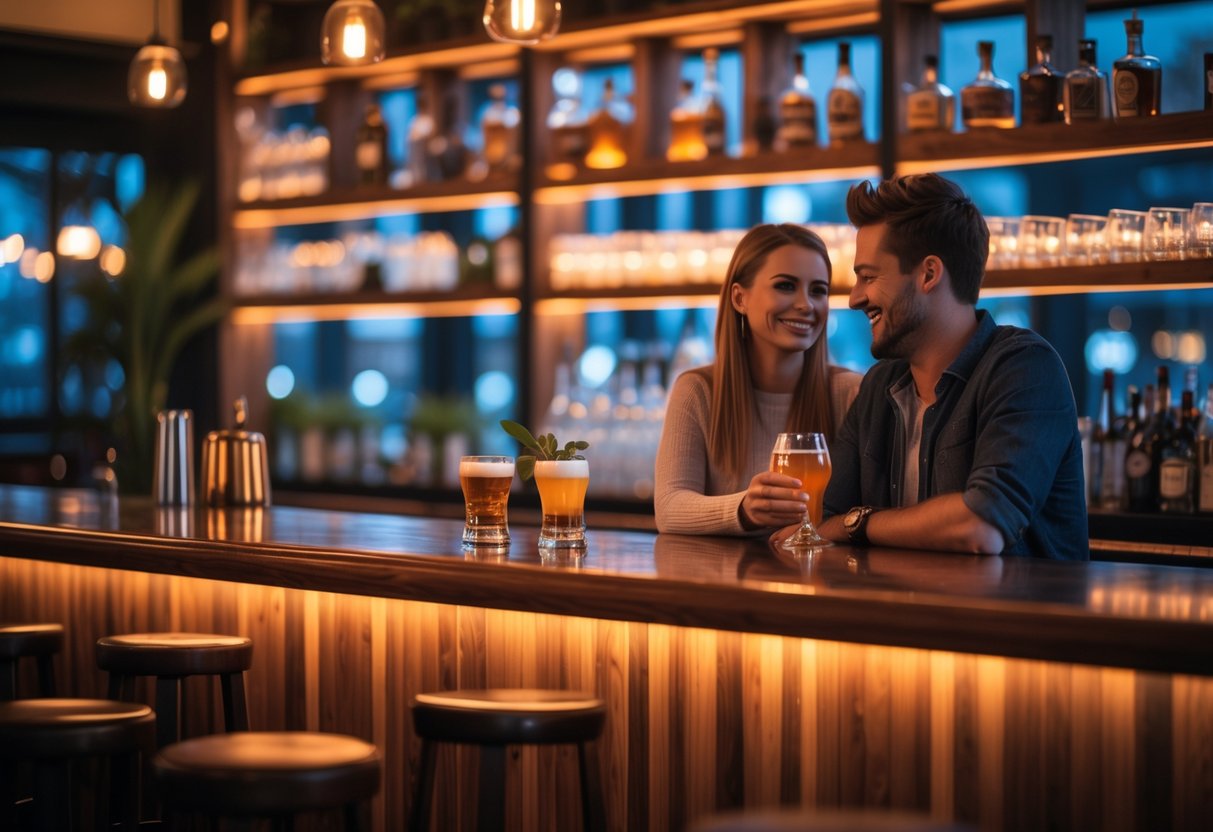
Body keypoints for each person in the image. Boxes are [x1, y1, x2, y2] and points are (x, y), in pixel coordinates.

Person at [804, 174, 1087, 559]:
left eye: (868, 277)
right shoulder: (880, 386)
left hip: (1011, 618)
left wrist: (861, 523)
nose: (855, 298)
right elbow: (823, 524)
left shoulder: (1024, 368)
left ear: (929, 274)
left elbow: (981, 526)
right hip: (907, 614)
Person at [655, 223, 862, 535]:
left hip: (819, 580)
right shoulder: (698, 391)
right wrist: (744, 509)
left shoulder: (850, 392)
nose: (806, 305)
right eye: (785, 286)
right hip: (724, 581)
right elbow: (669, 508)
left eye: (818, 290)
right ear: (740, 298)